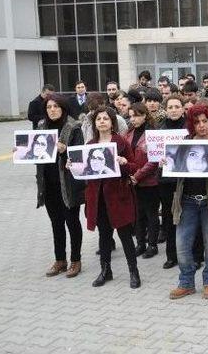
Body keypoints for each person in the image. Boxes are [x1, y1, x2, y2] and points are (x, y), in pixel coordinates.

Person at [169, 103, 208, 300]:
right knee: (182, 243)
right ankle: (186, 282)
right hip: (186, 202)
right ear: (191, 124)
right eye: (197, 122)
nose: (202, 125)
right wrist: (167, 163)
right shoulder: (186, 141)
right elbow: (174, 173)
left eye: (205, 121)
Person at [76, 106, 141, 288]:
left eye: (105, 118)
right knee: (104, 235)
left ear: (112, 122)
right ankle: (106, 270)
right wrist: (73, 167)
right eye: (99, 119)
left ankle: (133, 271)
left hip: (118, 196)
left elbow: (135, 167)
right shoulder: (89, 146)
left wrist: (125, 162)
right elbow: (84, 173)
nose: (102, 122)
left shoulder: (121, 143)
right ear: (94, 124)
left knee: (125, 235)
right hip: (98, 198)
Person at [35, 94, 84, 278]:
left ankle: (76, 260)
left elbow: (79, 157)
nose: (52, 110)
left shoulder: (73, 127)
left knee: (72, 222)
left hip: (68, 185)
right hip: (48, 184)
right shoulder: (41, 126)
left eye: (56, 106)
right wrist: (22, 151)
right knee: (56, 223)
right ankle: (60, 260)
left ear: (63, 108)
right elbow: (34, 150)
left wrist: (66, 151)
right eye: (49, 107)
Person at [126, 103, 160, 259]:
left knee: (151, 214)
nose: (133, 119)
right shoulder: (129, 133)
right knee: (137, 214)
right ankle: (140, 243)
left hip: (149, 181)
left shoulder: (152, 133)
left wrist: (138, 175)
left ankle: (152, 245)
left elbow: (154, 161)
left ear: (145, 115)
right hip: (133, 181)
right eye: (131, 115)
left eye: (136, 115)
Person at [157, 94, 187, 269]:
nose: (174, 110)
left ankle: (194, 254)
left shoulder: (189, 129)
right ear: (165, 110)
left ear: (183, 109)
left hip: (186, 179)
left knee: (188, 217)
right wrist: (155, 156)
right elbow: (155, 155)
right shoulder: (160, 130)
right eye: (170, 107)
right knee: (169, 218)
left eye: (177, 106)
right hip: (166, 180)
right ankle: (171, 255)